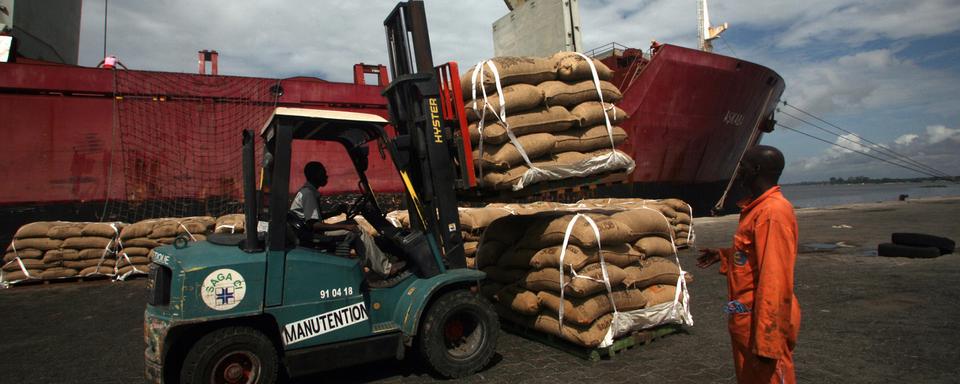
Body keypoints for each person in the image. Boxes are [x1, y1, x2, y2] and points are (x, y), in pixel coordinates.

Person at [697, 145, 801, 384]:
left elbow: (774, 277)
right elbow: (752, 254)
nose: (738, 171)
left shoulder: (772, 213)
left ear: (755, 170)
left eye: (742, 166)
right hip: (744, 316)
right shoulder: (757, 209)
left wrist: (768, 343)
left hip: (760, 322)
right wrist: (724, 256)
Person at [291, 161, 404, 277]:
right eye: (323, 173)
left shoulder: (308, 192)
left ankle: (371, 262)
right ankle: (385, 269)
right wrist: (345, 226)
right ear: (314, 175)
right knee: (358, 230)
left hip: (311, 232)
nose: (326, 176)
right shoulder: (308, 194)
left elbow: (314, 218)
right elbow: (313, 224)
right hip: (314, 234)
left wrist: (335, 212)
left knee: (353, 224)